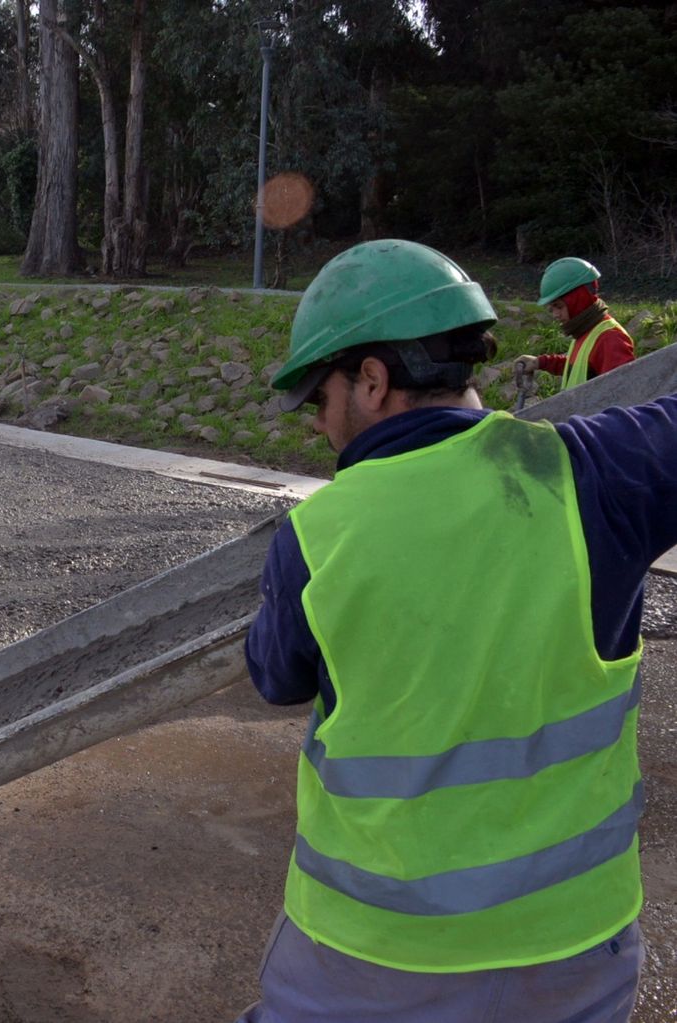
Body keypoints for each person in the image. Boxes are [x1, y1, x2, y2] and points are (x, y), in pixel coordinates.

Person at [237, 239, 676, 1023]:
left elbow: (275, 677)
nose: (319, 423)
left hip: (374, 957)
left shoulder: (317, 537)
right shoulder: (594, 474)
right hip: (574, 952)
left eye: (320, 398)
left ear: (372, 380)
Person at [515, 257, 635, 391]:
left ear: (579, 300)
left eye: (559, 306)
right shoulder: (585, 331)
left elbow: (622, 393)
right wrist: (541, 362)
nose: (555, 314)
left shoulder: (610, 338)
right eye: (552, 309)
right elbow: (580, 367)